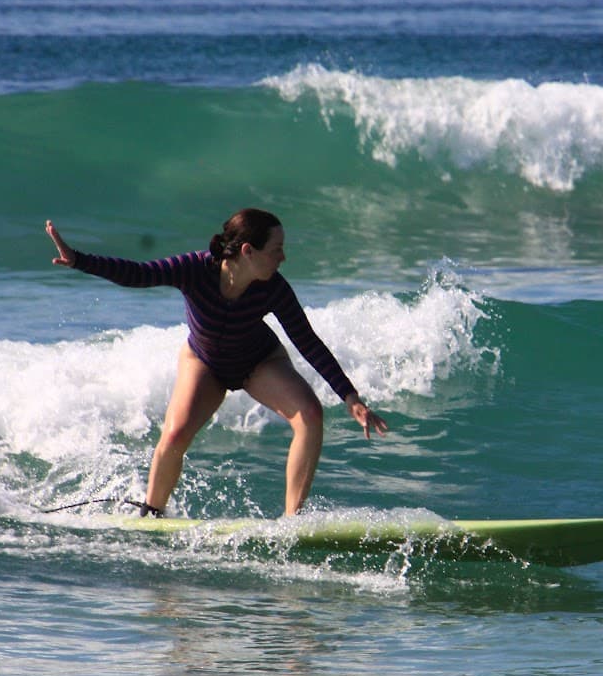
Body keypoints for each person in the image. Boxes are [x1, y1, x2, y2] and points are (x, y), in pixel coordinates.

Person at [45, 209, 387, 517]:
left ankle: (291, 519)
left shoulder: (273, 288)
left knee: (310, 414)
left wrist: (350, 397)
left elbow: (306, 340)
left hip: (259, 362)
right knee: (175, 435)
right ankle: (153, 513)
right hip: (204, 362)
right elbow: (138, 273)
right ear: (248, 251)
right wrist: (78, 260)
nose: (283, 257)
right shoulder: (195, 269)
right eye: (276, 249)